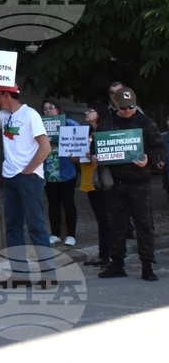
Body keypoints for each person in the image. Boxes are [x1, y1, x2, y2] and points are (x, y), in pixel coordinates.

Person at [0, 81, 53, 284]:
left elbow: (45, 147)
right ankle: (20, 275)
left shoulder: (30, 114)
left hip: (29, 178)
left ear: (7, 96)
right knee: (13, 227)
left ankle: (49, 274)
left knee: (36, 225)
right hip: (10, 177)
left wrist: (27, 171)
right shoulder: (4, 116)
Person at [96, 86, 165, 281]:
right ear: (116, 103)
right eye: (124, 107)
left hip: (139, 183)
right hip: (115, 184)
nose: (128, 111)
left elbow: (159, 148)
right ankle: (117, 264)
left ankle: (147, 265)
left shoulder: (145, 122)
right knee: (115, 225)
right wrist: (94, 156)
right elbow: (96, 147)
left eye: (131, 106)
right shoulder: (107, 124)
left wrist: (148, 159)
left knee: (143, 225)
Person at [76, 105, 110, 268]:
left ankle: (108, 255)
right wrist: (76, 158)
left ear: (100, 114)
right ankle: (103, 254)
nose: (86, 113)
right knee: (101, 220)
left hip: (102, 182)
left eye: (91, 110)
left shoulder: (104, 133)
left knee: (106, 220)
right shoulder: (88, 133)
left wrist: (95, 156)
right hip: (90, 180)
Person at [41, 100, 78, 247]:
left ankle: (71, 235)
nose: (48, 111)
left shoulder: (68, 123)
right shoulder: (41, 124)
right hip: (49, 170)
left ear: (58, 109)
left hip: (66, 169)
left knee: (68, 202)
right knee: (53, 203)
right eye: (45, 109)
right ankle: (55, 233)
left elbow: (79, 134)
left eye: (51, 107)